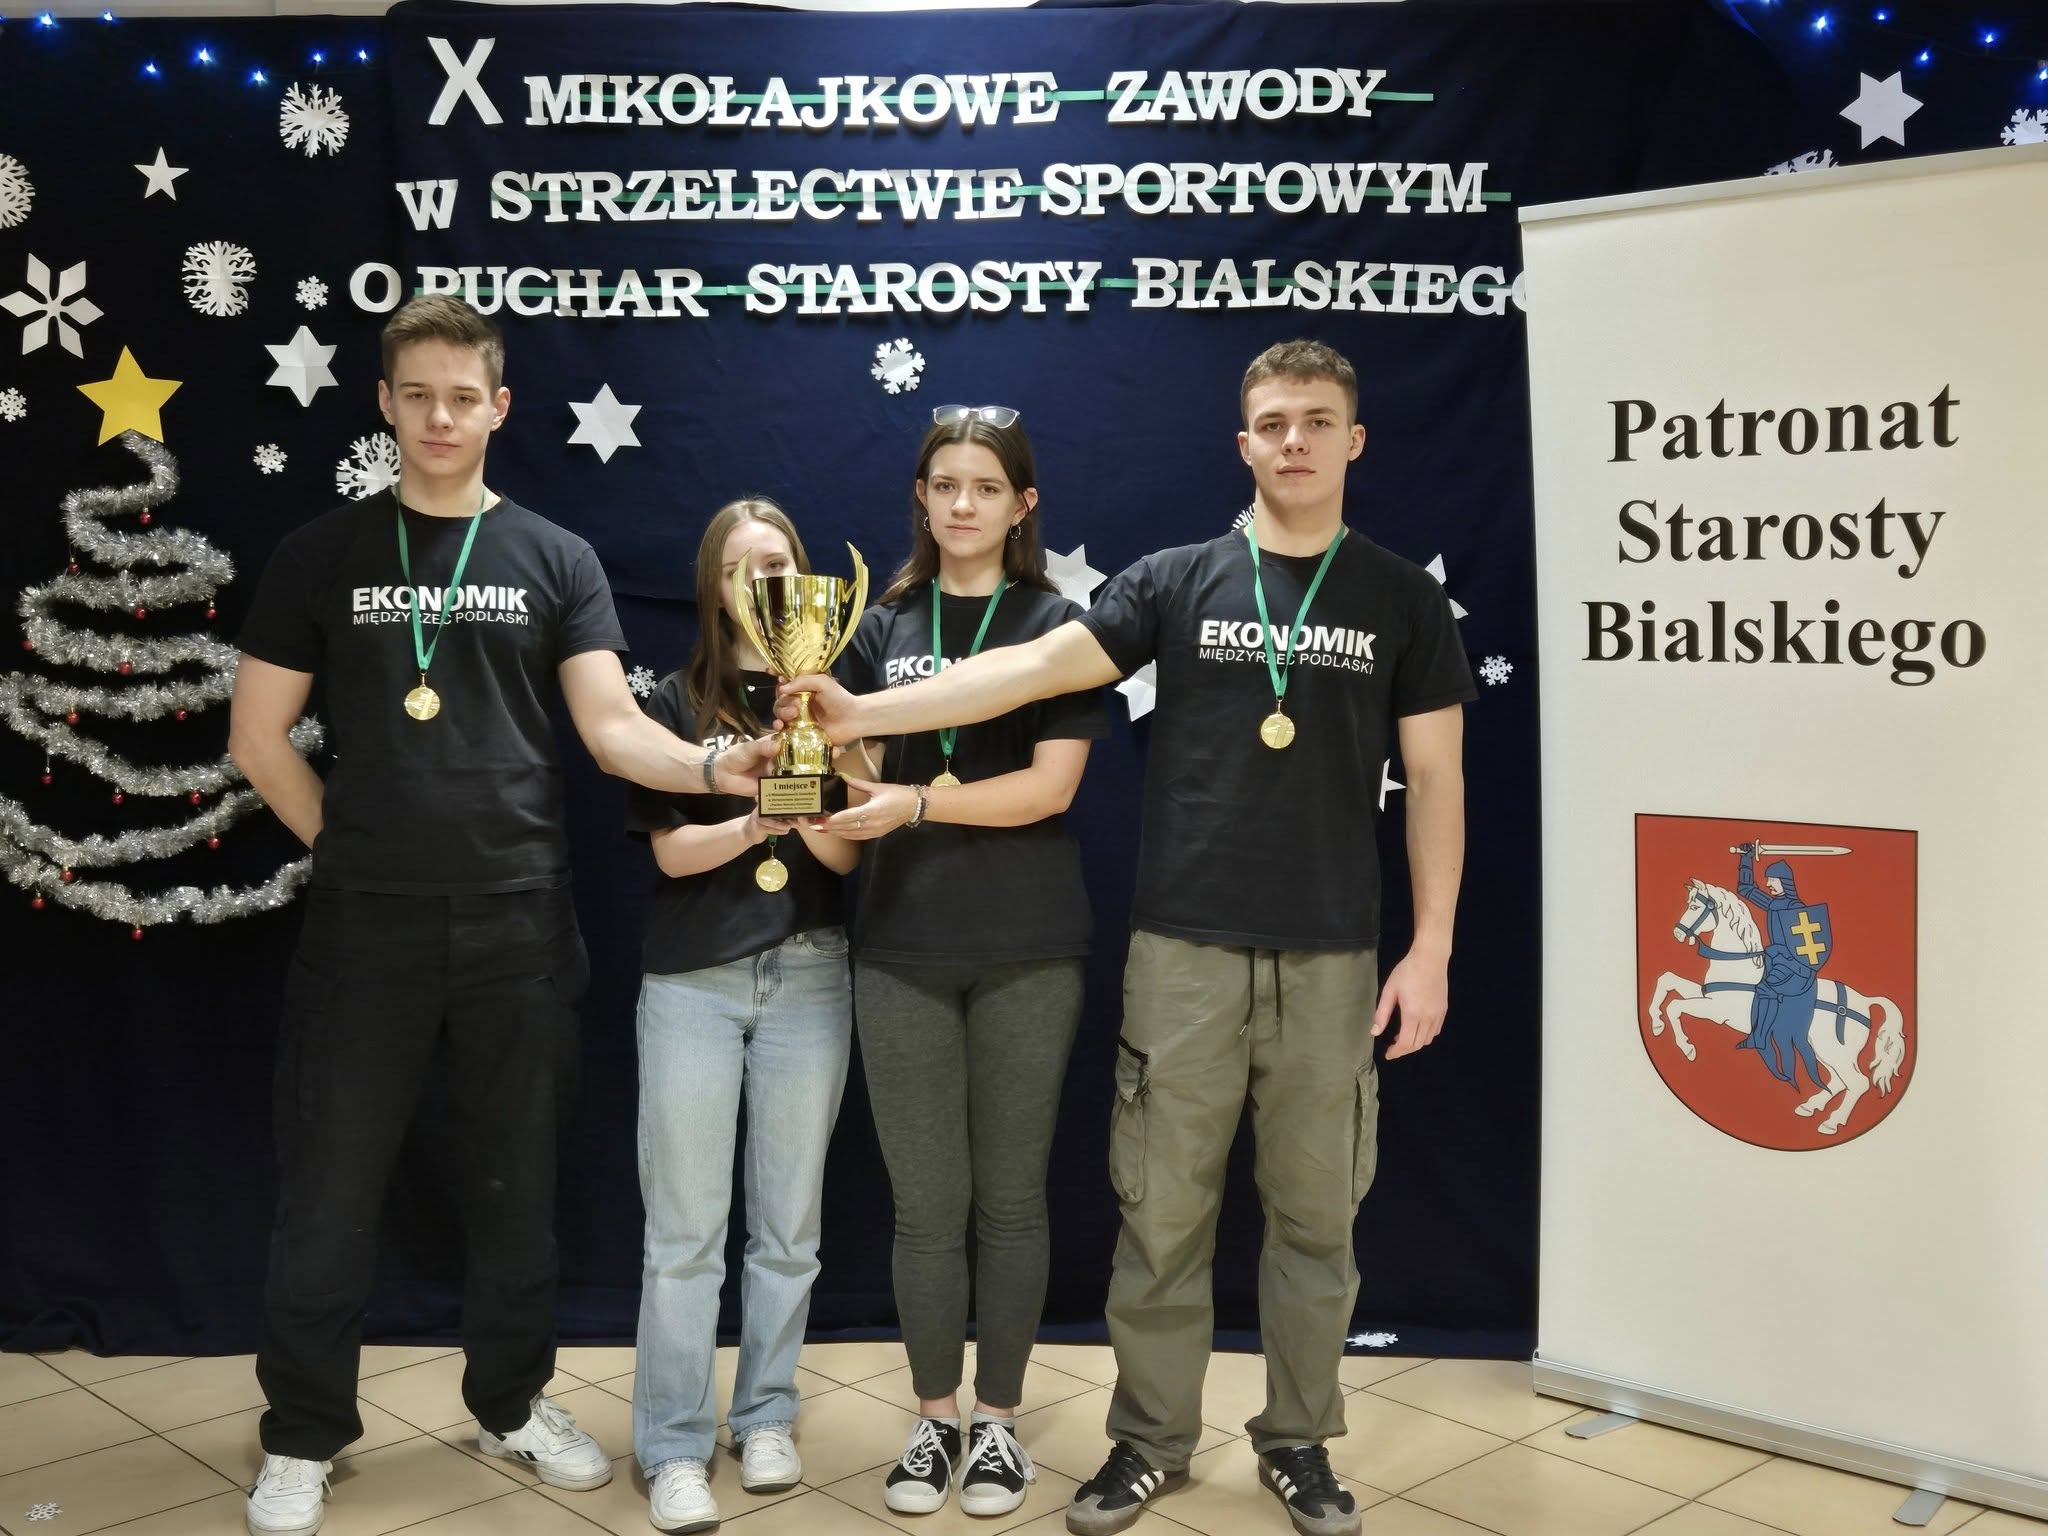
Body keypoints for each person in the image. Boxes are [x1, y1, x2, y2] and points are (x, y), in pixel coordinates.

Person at [777, 341, 1473, 1536]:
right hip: (1184, 952)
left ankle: (1298, 1442)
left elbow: (1439, 781)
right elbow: (1023, 671)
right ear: (1241, 444)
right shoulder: (1174, 581)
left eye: (1315, 421)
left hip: (1330, 955)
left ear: (1352, 441)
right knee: (1160, 1219)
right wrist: (863, 709)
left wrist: (1431, 949)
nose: (1293, 441)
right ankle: (1149, 1442)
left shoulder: (1399, 597)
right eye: (1271, 423)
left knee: (1316, 1223)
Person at [228, 295, 773, 1536]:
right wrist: (351, 849)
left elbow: (612, 729)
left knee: (515, 1187)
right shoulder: (319, 552)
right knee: (327, 1193)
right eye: (417, 395)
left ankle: (511, 1402)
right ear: (384, 403)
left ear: (498, 408)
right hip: (363, 932)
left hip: (518, 925)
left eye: (462, 397)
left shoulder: (553, 556)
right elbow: (258, 738)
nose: (439, 417)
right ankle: (303, 1434)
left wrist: (713, 766)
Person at [818, 407, 1105, 1518]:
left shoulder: (1057, 626)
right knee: (925, 1206)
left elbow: (1049, 789)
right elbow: (854, 775)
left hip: (1028, 947)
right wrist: (826, 731)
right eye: (945, 485)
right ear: (922, 498)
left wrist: (917, 802)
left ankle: (998, 1426)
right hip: (901, 946)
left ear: (1022, 504)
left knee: (1012, 1201)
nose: (963, 504)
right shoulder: (879, 625)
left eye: (986, 487)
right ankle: (934, 1419)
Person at [626, 499, 860, 1533]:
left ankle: (765, 1416)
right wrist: (756, 818)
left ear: (809, 585)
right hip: (693, 984)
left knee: (789, 1233)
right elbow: (672, 853)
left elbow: (845, 856)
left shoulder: (833, 698)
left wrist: (822, 765)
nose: (761, 583)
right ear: (712, 586)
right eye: (739, 567)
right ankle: (674, 1446)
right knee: (684, 1235)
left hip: (810, 976)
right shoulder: (674, 701)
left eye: (778, 566)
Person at [1735, 842, 1824, 1088]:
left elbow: (1804, 947)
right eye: (1768, 879)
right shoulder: (1775, 904)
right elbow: (1745, 889)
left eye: (1773, 880)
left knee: (1765, 989)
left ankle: (1759, 1038)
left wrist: (1779, 953)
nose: (1768, 884)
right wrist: (1746, 858)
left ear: (1785, 882)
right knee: (1760, 988)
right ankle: (1757, 1036)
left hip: (1797, 968)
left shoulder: (1797, 909)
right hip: (1778, 962)